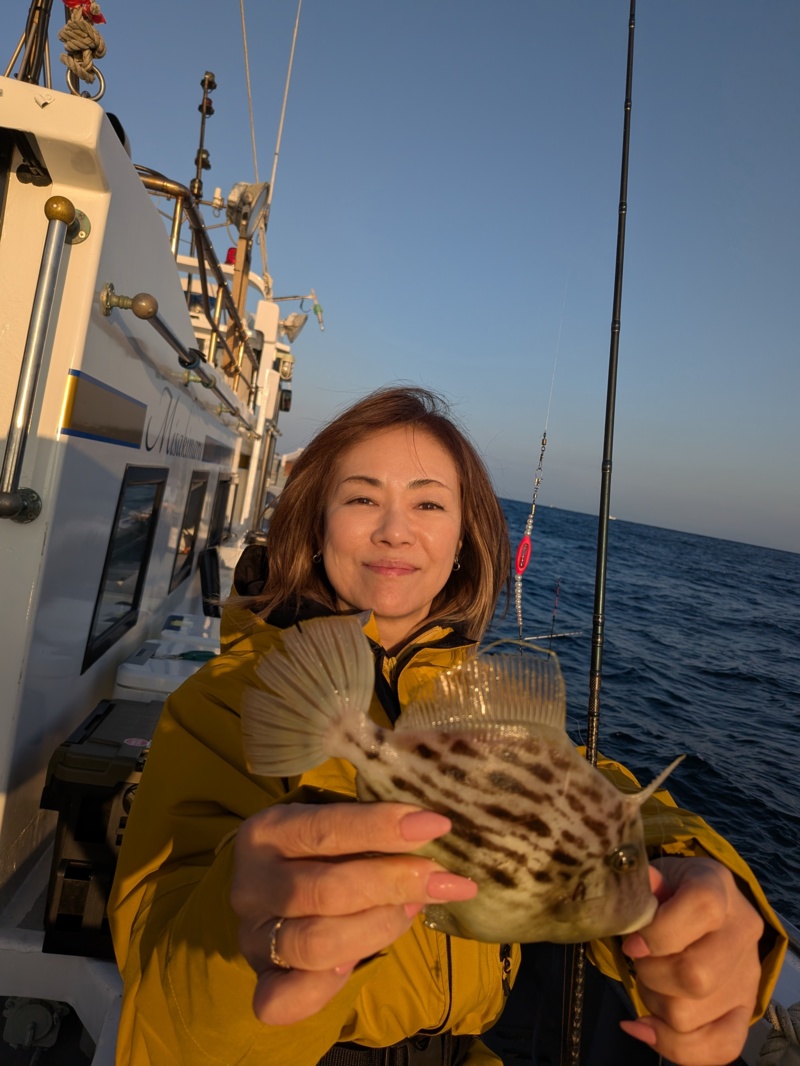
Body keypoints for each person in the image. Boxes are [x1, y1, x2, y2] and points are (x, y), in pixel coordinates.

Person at [108, 385, 786, 1066]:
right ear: (315, 525)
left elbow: (592, 795)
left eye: (428, 504)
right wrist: (243, 943)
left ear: (463, 538)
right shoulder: (223, 703)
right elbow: (161, 999)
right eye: (362, 498)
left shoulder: (484, 704)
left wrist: (696, 886)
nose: (394, 530)